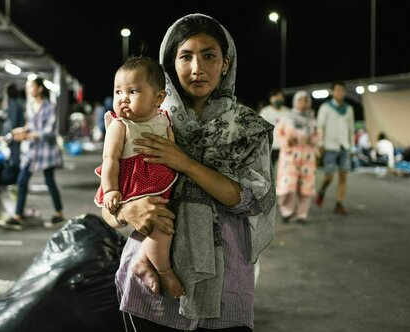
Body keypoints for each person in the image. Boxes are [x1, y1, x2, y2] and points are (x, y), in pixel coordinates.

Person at [101, 14, 276, 331]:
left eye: (209, 55)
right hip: (153, 290)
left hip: (225, 284)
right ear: (170, 64)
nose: (197, 68)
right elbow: (107, 208)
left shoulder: (248, 130)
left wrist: (184, 162)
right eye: (186, 56)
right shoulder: (143, 120)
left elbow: (251, 201)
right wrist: (127, 210)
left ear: (225, 63)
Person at [94, 56, 182, 297]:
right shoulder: (120, 125)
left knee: (164, 224)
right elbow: (110, 159)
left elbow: (173, 150)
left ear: (159, 98)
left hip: (160, 182)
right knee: (161, 228)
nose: (123, 98)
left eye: (132, 91)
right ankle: (162, 271)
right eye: (118, 91)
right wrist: (111, 190)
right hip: (134, 185)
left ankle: (144, 260)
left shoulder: (164, 119)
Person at [4, 77, 65, 230]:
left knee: (49, 181)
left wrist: (27, 136)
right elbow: (31, 124)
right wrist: (22, 130)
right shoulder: (30, 105)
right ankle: (18, 216)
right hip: (33, 150)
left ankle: (59, 213)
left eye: (31, 86)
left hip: (47, 150)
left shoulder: (49, 107)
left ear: (40, 89)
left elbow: (50, 131)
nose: (28, 89)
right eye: (27, 87)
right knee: (22, 180)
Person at [276, 91, 320, 224]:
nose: (303, 103)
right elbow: (278, 134)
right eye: (301, 100)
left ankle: (302, 214)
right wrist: (286, 142)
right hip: (290, 154)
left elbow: (317, 136)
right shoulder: (287, 117)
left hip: (307, 155)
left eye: (306, 101)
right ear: (296, 101)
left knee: (306, 186)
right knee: (287, 184)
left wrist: (314, 142)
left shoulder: (312, 119)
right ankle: (286, 211)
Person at [315, 80, 354, 215]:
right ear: (333, 92)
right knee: (329, 176)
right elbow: (320, 127)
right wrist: (320, 144)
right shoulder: (325, 107)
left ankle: (339, 203)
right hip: (330, 146)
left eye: (342, 90)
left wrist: (352, 148)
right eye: (338, 90)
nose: (340, 93)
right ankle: (322, 190)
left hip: (344, 147)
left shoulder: (349, 109)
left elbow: (351, 129)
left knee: (343, 176)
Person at [259, 88, 290, 166]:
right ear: (271, 98)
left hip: (284, 147)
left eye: (281, 96)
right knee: (269, 170)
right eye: (276, 96)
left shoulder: (288, 112)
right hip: (270, 146)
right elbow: (260, 129)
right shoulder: (265, 112)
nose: (279, 98)